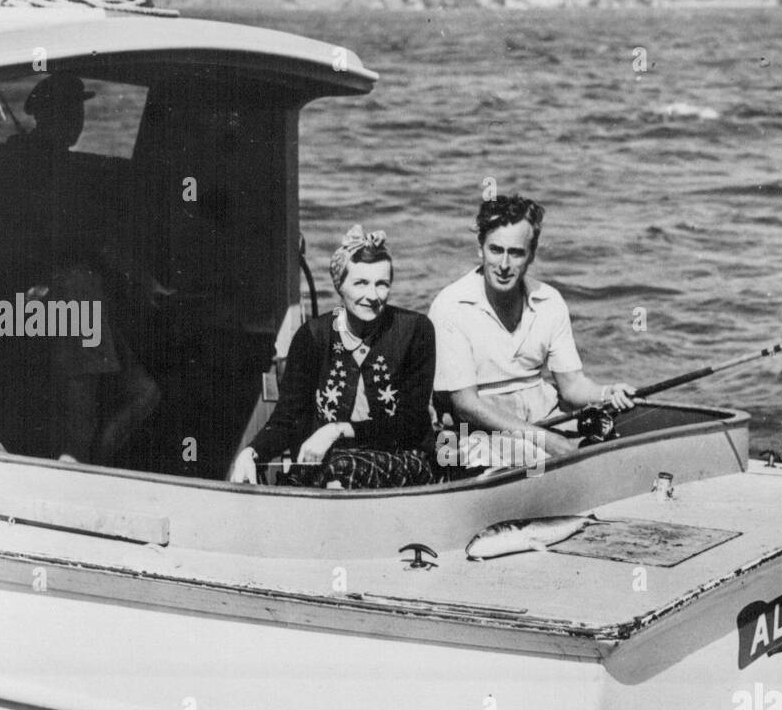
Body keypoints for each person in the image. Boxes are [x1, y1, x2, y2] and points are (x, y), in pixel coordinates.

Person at [9, 73, 161, 464]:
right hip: (69, 297)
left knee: (126, 399)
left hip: (55, 298)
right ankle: (81, 470)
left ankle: (88, 466)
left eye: (79, 110)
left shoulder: (24, 158)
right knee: (85, 414)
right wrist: (144, 283)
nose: (79, 120)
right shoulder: (51, 170)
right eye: (73, 111)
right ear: (53, 115)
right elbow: (89, 240)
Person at [428, 194, 636, 464]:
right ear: (480, 248)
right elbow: (467, 405)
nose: (504, 265)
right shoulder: (450, 305)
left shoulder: (550, 300)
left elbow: (572, 386)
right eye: (495, 250)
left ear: (532, 254)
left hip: (543, 420)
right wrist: (547, 441)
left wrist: (608, 392)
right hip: (471, 431)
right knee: (540, 469)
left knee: (611, 452)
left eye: (516, 253)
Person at [229, 226, 437, 489]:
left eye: (382, 284)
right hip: (330, 464)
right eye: (360, 283)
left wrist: (336, 430)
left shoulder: (416, 330)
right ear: (340, 285)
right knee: (315, 477)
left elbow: (409, 423)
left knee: (339, 473)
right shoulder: (313, 337)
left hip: (403, 459)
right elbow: (288, 418)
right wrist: (252, 452)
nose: (372, 296)